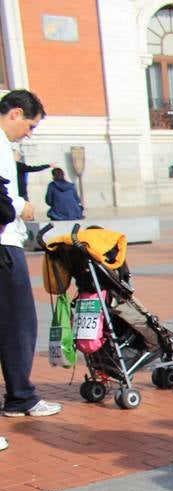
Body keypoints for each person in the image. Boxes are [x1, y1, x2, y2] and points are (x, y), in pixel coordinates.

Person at [0, 89, 59, 420]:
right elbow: (3, 193)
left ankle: (19, 393)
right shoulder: (0, 145)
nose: (28, 133)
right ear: (16, 113)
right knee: (19, 321)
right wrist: (23, 207)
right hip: (5, 243)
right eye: (30, 125)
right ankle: (20, 396)